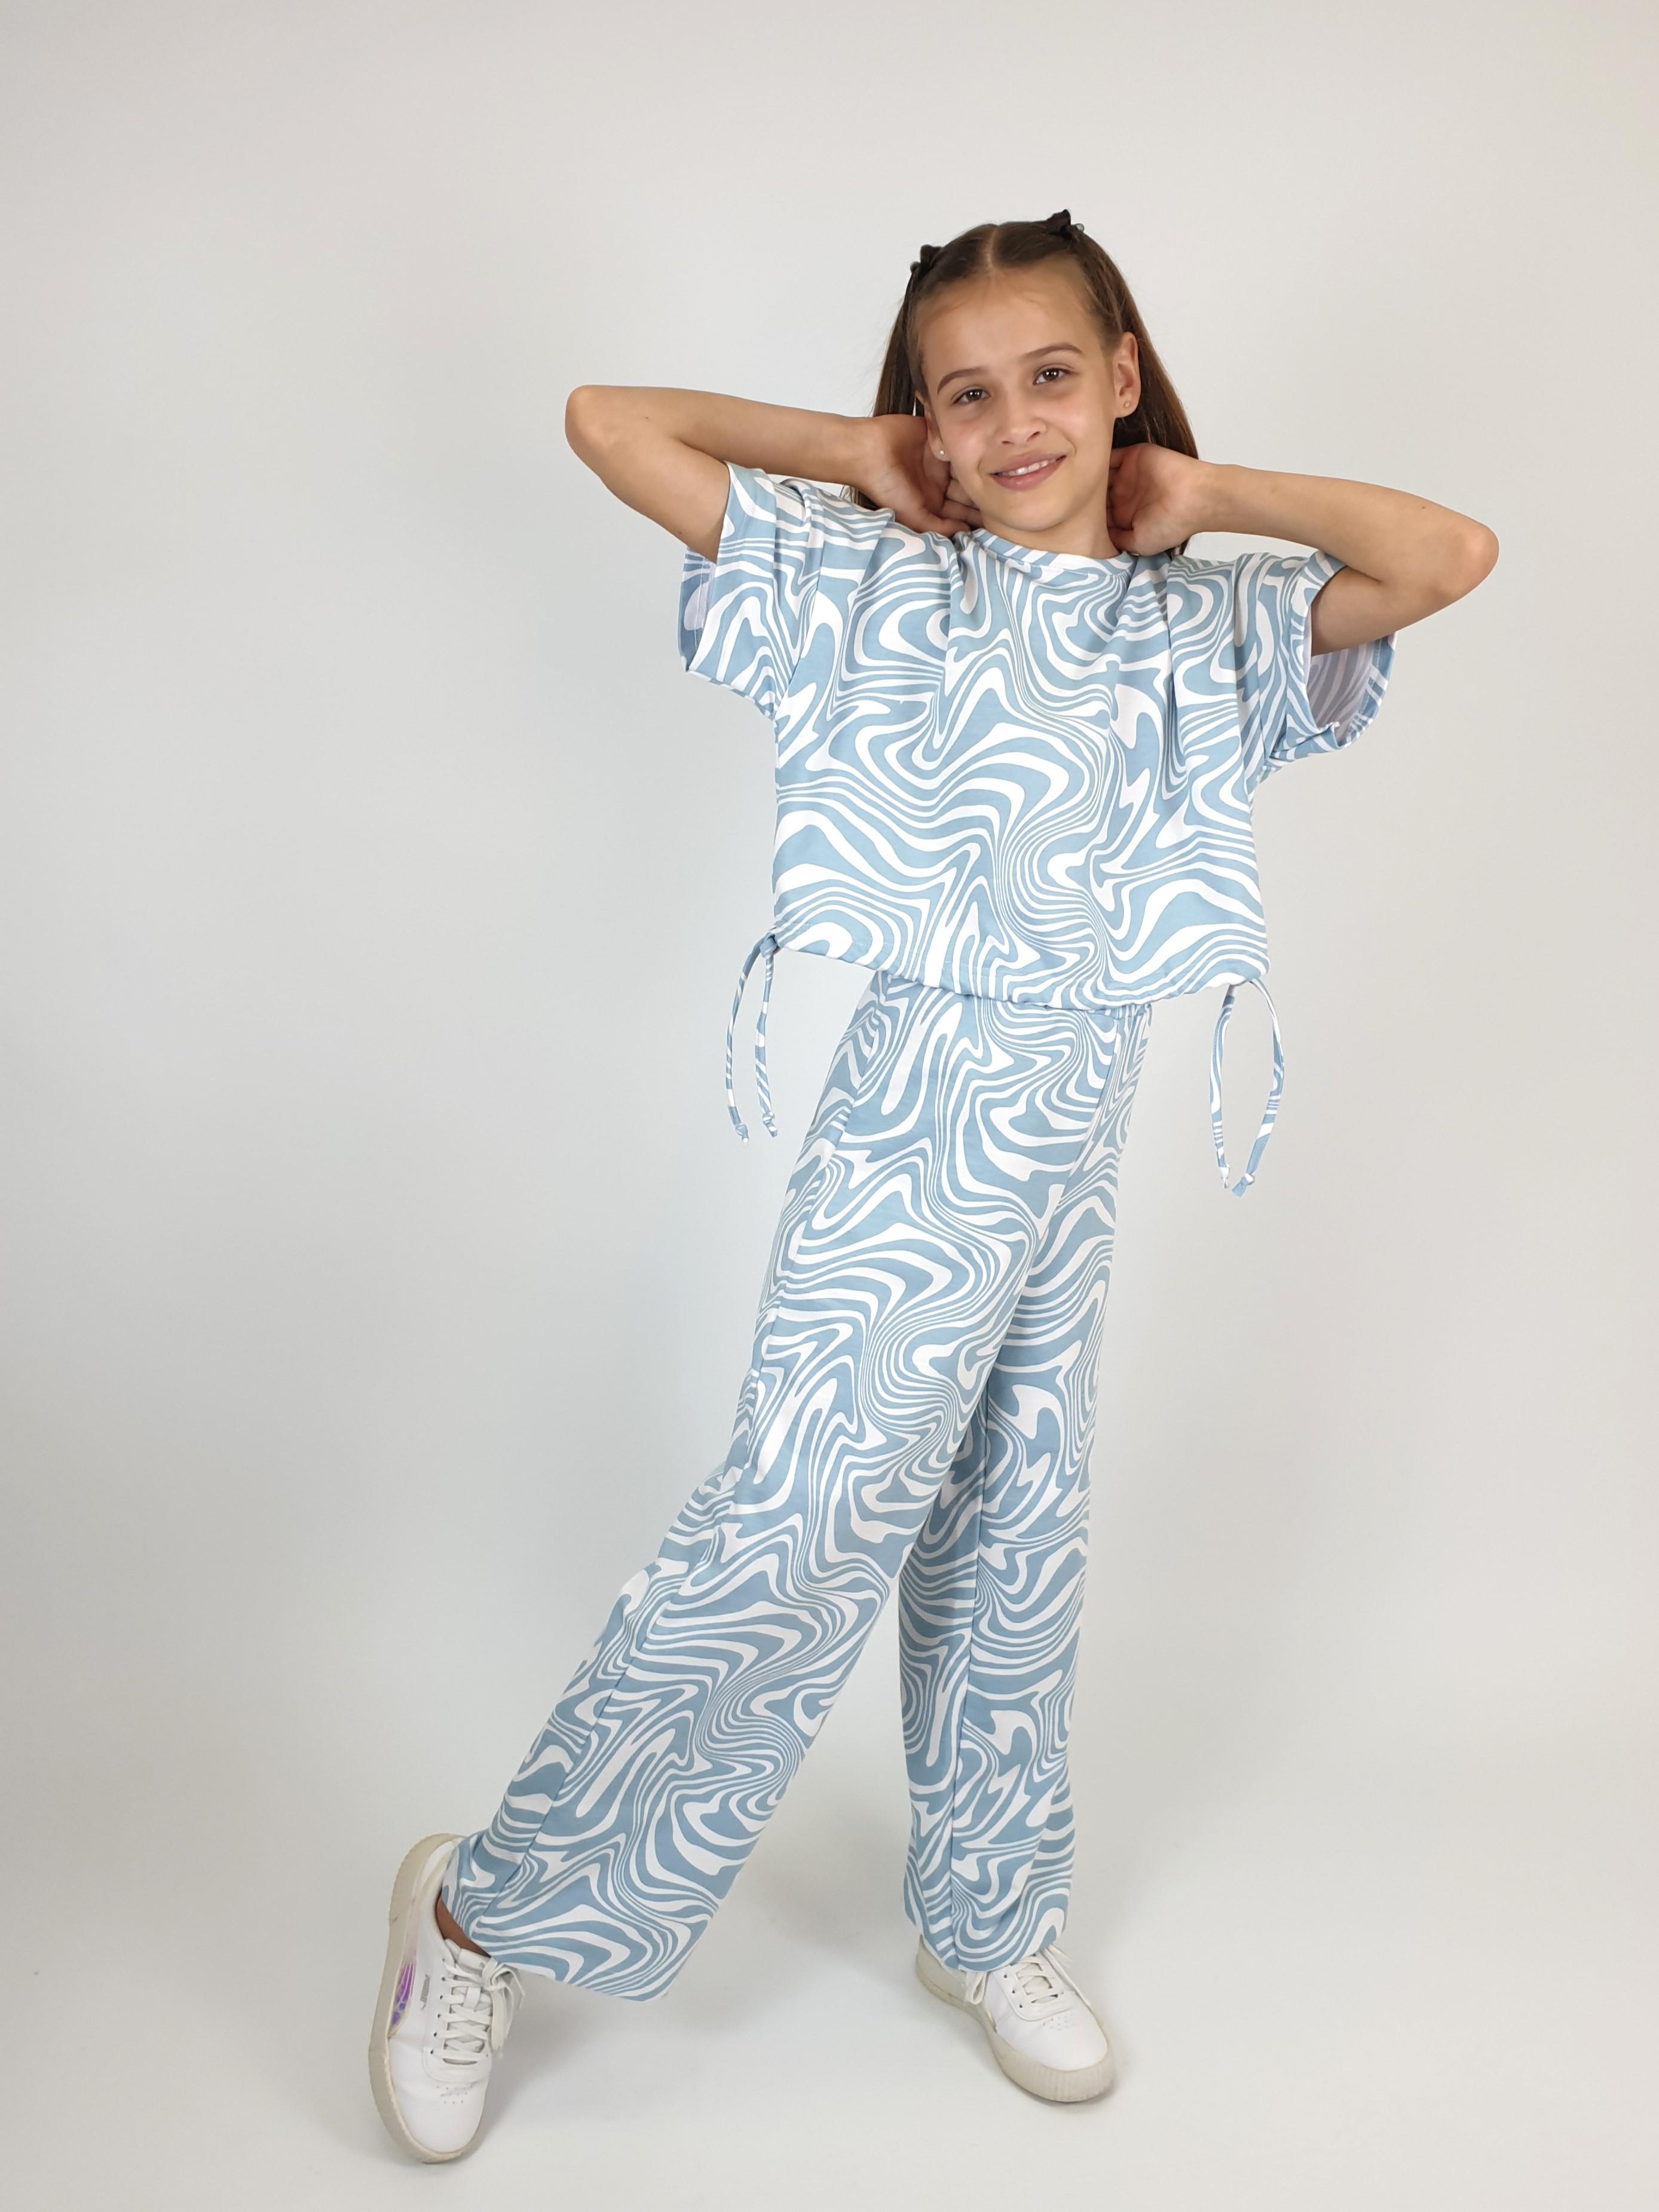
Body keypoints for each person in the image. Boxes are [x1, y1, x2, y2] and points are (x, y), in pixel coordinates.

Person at [366, 209, 1498, 2162]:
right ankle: (480, 1909)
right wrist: (859, 452)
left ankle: (989, 1920)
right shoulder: (881, 583)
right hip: (921, 1119)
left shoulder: (1209, 623)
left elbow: (1446, 555)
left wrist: (1203, 492)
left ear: (1122, 373)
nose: (1013, 423)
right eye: (966, 395)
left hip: (1079, 1137)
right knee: (799, 1521)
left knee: (1014, 1530)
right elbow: (611, 419)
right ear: (931, 423)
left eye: (1052, 376)